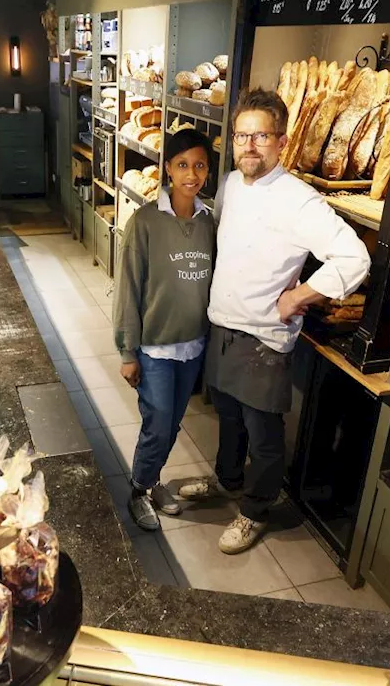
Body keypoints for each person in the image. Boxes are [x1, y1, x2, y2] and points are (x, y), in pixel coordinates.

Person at [179, 88, 371, 555]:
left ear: (281, 142)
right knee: (227, 418)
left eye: (260, 136)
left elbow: (354, 256)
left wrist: (302, 294)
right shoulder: (228, 185)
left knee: (263, 435)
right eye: (242, 135)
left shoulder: (298, 200)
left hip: (263, 338)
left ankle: (255, 511)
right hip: (223, 324)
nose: (249, 145)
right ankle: (226, 481)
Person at [112, 129, 216, 531]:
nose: (192, 174)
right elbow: (129, 287)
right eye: (183, 165)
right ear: (168, 169)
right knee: (157, 423)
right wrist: (126, 351)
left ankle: (153, 481)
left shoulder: (209, 222)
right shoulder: (146, 222)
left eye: (200, 165)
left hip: (193, 344)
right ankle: (138, 489)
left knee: (172, 422)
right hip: (154, 347)